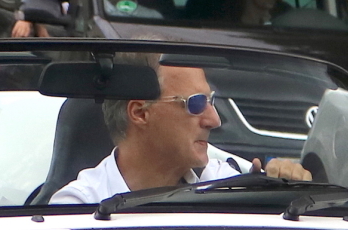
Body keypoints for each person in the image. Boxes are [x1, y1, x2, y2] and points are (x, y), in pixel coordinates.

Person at [51, 61, 309, 203]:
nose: (214, 120)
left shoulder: (225, 185)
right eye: (196, 103)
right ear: (140, 113)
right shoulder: (78, 208)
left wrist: (290, 189)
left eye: (212, 102)